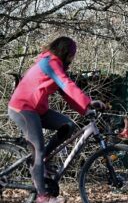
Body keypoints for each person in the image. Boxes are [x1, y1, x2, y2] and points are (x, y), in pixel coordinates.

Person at [8, 36, 106, 203]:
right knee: (37, 149)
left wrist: (87, 107)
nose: (72, 59)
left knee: (67, 125)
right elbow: (67, 85)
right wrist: (87, 103)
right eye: (72, 55)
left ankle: (43, 160)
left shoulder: (57, 65)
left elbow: (66, 93)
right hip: (23, 108)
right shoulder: (49, 62)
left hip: (37, 109)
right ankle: (42, 196)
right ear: (66, 52)